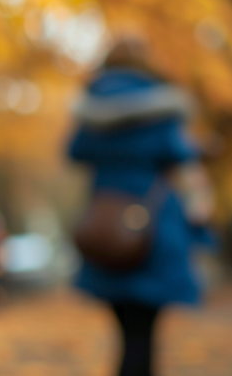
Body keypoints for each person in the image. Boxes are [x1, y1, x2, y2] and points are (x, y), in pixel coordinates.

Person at [68, 44, 216, 376]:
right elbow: (179, 152)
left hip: (105, 225)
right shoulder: (160, 105)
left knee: (126, 331)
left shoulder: (91, 106)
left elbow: (74, 151)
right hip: (153, 228)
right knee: (144, 332)